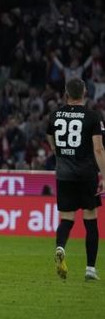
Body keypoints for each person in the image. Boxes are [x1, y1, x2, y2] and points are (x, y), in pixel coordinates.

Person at [46, 77, 105, 281]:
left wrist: (60, 154)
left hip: (64, 174)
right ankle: (90, 269)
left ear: (66, 94)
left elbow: (51, 140)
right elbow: (98, 148)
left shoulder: (54, 115)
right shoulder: (92, 117)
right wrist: (104, 176)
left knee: (67, 219)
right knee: (90, 220)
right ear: (85, 93)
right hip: (87, 174)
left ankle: (61, 247)